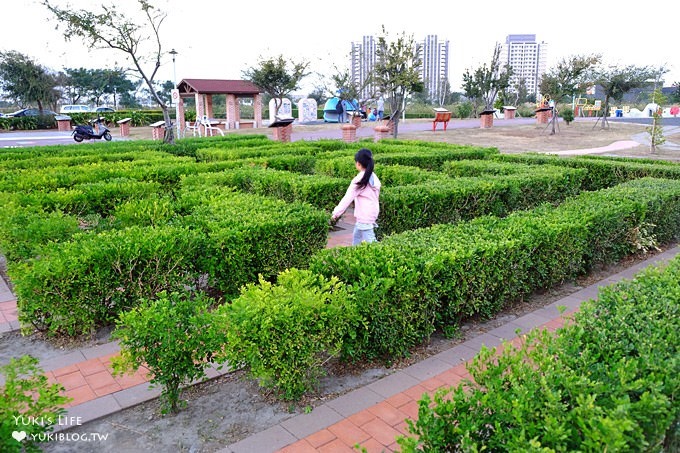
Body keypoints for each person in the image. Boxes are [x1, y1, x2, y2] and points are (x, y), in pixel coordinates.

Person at [331, 148, 381, 245]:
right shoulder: (372, 176)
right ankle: (354, 255)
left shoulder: (359, 180)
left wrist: (335, 214)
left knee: (372, 243)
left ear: (358, 163)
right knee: (357, 237)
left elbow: (347, 198)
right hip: (370, 213)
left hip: (365, 215)